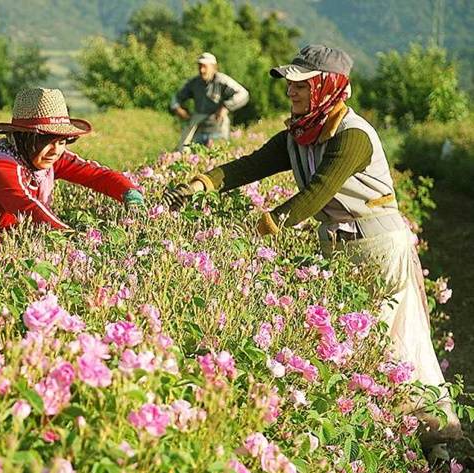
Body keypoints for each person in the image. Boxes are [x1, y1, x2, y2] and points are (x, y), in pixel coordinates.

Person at [163, 45, 462, 448]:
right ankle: (392, 438)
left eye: (301, 84)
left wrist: (258, 229)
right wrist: (199, 184)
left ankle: (430, 438)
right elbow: (250, 165)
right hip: (344, 248)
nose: (291, 90)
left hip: (377, 248)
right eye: (290, 83)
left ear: (327, 86)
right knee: (362, 345)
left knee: (387, 344)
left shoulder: (352, 135)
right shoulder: (301, 134)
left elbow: (317, 193)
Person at [0, 87, 144, 253]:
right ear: (22, 138)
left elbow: (96, 175)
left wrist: (130, 193)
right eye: (46, 140)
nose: (56, 150)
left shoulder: (44, 157)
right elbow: (28, 208)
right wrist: (75, 239)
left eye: (62, 141)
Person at [171, 52, 249, 149]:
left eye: (204, 67)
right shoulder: (194, 83)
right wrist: (177, 108)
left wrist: (226, 107)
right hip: (199, 127)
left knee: (219, 153)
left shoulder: (222, 81)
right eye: (199, 67)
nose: (202, 70)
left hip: (218, 127)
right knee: (187, 151)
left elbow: (243, 94)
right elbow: (176, 97)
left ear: (213, 67)